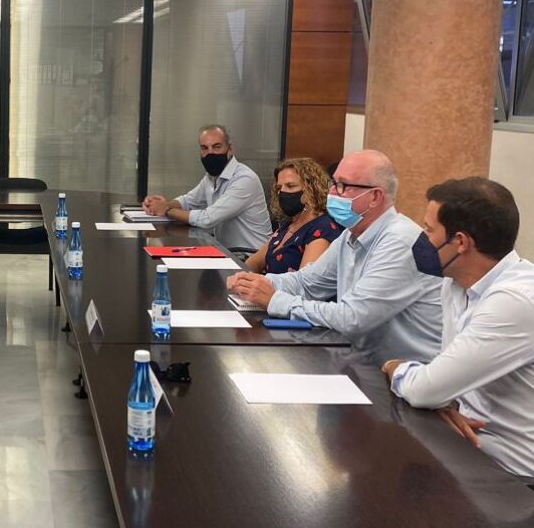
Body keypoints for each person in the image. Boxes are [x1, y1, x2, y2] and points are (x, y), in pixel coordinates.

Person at [382, 177, 534, 481]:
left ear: (461, 242)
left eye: (428, 229)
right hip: (467, 447)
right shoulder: (454, 284)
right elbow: (440, 384)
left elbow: (425, 389)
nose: (421, 238)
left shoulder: (515, 301)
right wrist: (443, 398)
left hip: (516, 478)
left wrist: (394, 366)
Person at [228, 150, 442, 364]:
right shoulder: (351, 234)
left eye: (343, 186)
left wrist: (275, 300)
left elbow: (352, 318)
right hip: (360, 361)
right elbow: (307, 282)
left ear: (375, 197)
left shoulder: (400, 241)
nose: (332, 193)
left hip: (403, 373)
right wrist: (258, 283)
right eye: (333, 183)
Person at [142, 125, 272, 249]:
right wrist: (159, 205)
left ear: (230, 149)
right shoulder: (211, 177)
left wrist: (166, 210)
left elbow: (208, 219)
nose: (210, 153)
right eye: (204, 148)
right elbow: (188, 201)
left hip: (251, 257)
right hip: (227, 253)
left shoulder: (244, 179)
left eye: (217, 147)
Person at [243, 158, 342, 274]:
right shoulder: (290, 224)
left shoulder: (323, 228)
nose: (282, 192)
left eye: (291, 186)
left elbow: (306, 281)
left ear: (311, 189)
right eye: (279, 188)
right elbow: (253, 264)